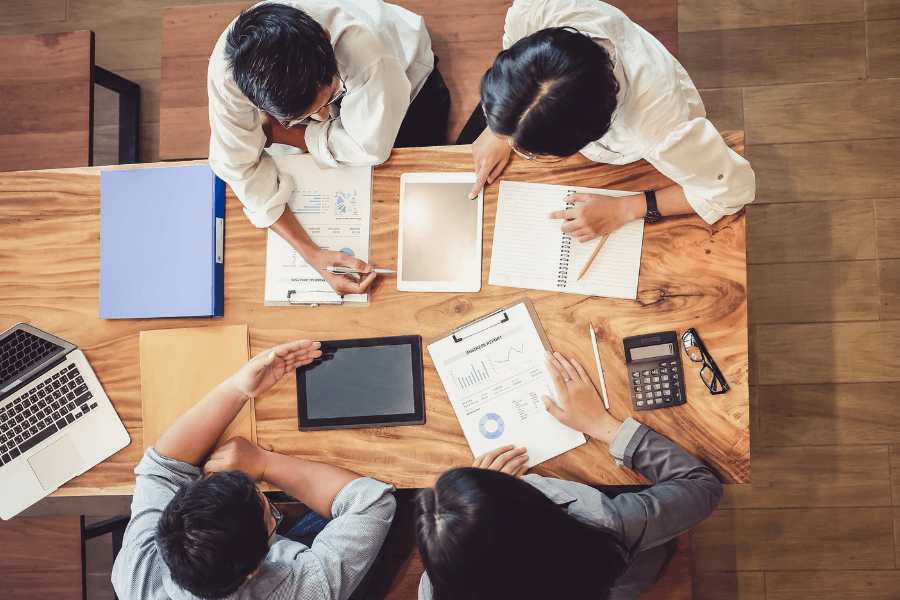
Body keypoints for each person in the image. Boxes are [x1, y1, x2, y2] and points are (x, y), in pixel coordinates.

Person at [414, 351, 723, 600]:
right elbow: (702, 486)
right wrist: (603, 425)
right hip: (621, 573)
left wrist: (466, 518)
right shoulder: (605, 524)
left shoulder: (434, 590)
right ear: (533, 506)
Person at [111, 340, 397, 600]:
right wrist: (264, 463)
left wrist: (237, 388)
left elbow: (162, 469)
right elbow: (372, 501)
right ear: (253, 569)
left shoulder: (137, 572)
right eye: (269, 513)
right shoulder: (301, 591)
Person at [460, 0, 755, 243]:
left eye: (530, 150)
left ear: (589, 133)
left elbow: (732, 192)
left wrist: (626, 208)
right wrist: (503, 125)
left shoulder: (658, 132)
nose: (514, 145)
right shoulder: (542, 9)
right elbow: (517, 45)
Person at [208, 0, 450, 295]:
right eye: (304, 115)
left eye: (329, 97)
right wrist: (313, 255)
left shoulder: (368, 49)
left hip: (406, 83)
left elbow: (370, 147)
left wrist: (284, 133)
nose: (323, 118)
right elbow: (238, 167)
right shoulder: (228, 77)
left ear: (325, 35)